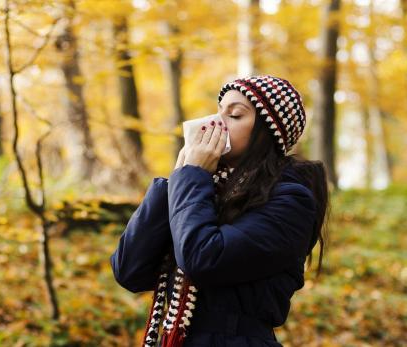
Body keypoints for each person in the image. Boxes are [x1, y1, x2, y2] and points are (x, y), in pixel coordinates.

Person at [110, 75, 330, 347]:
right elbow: (129, 270)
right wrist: (175, 180)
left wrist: (191, 177)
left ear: (268, 132)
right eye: (218, 111)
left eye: (235, 115)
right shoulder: (204, 189)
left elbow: (203, 257)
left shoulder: (291, 201)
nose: (214, 123)